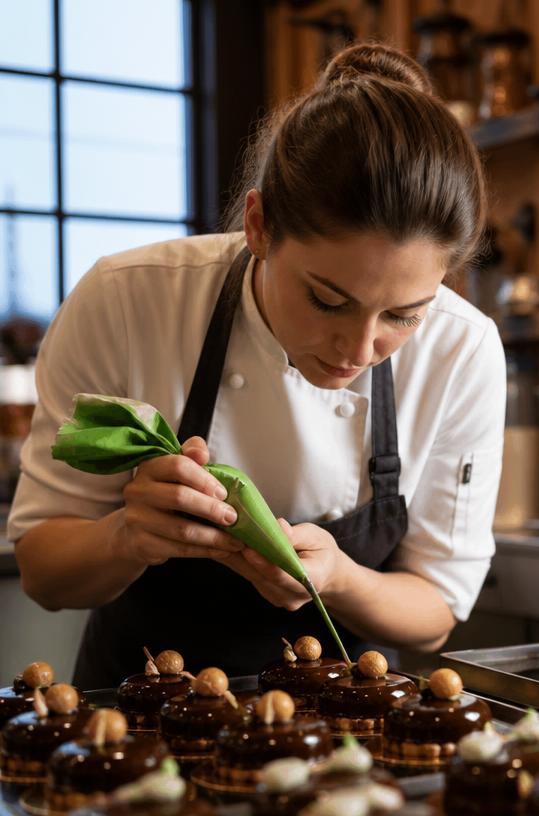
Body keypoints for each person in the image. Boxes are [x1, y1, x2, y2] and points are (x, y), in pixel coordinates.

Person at [10, 43, 506, 689]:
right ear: (258, 225)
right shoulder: (129, 299)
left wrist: (340, 578)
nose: (358, 351)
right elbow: (44, 573)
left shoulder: (461, 350)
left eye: (403, 316)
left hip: (346, 732)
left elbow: (435, 612)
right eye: (328, 300)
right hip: (133, 723)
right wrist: (127, 534)